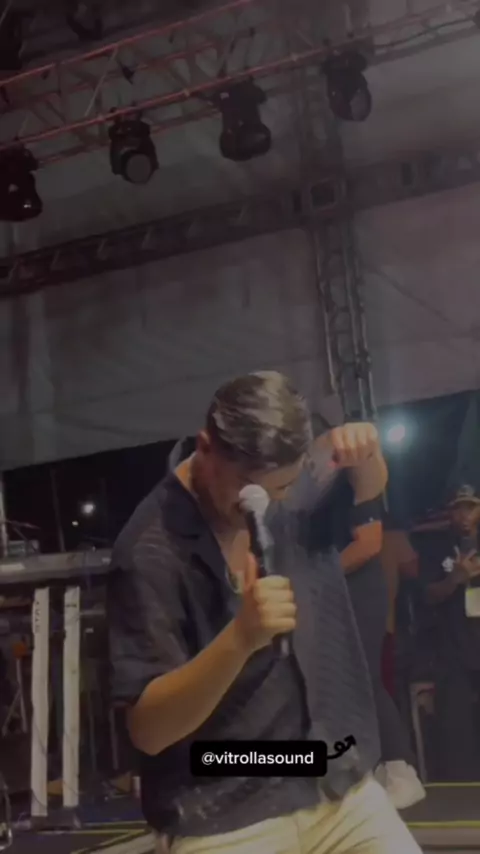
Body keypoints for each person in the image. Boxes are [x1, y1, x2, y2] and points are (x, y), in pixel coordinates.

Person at [107, 371, 421, 854]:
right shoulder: (149, 551)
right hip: (224, 808)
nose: (267, 504)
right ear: (206, 448)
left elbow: (369, 488)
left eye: (283, 488)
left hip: (332, 784)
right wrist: (239, 639)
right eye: (249, 489)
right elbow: (148, 731)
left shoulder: (288, 483)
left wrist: (367, 454)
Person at [319, 482, 425, 809]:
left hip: (357, 589)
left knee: (363, 678)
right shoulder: (302, 486)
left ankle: (401, 769)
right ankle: (367, 768)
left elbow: (368, 543)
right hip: (330, 593)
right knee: (334, 684)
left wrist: (313, 579)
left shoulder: (355, 473)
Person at [421, 484, 480, 781]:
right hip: (453, 646)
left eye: (471, 507)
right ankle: (463, 787)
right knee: (456, 728)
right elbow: (427, 596)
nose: (465, 515)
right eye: (458, 508)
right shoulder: (437, 547)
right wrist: (455, 579)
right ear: (449, 512)